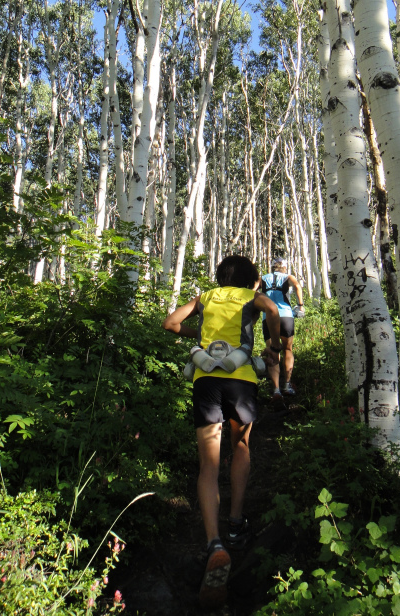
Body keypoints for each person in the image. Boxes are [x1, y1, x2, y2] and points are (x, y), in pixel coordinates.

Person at [162, 255, 281, 610]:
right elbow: (274, 311)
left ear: (220, 275)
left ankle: (214, 542)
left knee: (207, 465)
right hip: (241, 380)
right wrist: (272, 346)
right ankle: (235, 523)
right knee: (241, 446)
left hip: (206, 382)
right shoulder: (251, 297)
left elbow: (170, 324)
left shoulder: (206, 297)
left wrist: (196, 334)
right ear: (250, 278)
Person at [260, 258, 304, 402]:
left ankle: (276, 389)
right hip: (285, 316)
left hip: (268, 318)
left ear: (272, 267)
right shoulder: (288, 277)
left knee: (272, 351)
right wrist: (300, 305)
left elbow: (252, 291)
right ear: (285, 267)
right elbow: (297, 286)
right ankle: (287, 385)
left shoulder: (263, 278)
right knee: (287, 349)